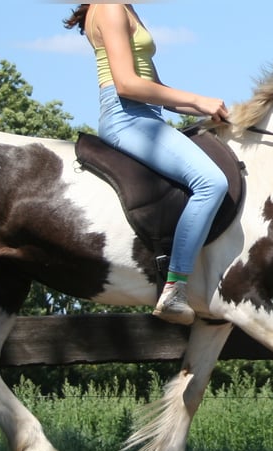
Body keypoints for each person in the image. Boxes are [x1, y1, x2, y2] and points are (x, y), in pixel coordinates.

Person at [64, 3, 230, 326]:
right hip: (126, 117)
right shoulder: (111, 8)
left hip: (147, 116)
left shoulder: (126, 8)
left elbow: (157, 89)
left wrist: (205, 111)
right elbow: (126, 84)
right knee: (212, 182)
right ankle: (175, 289)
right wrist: (198, 100)